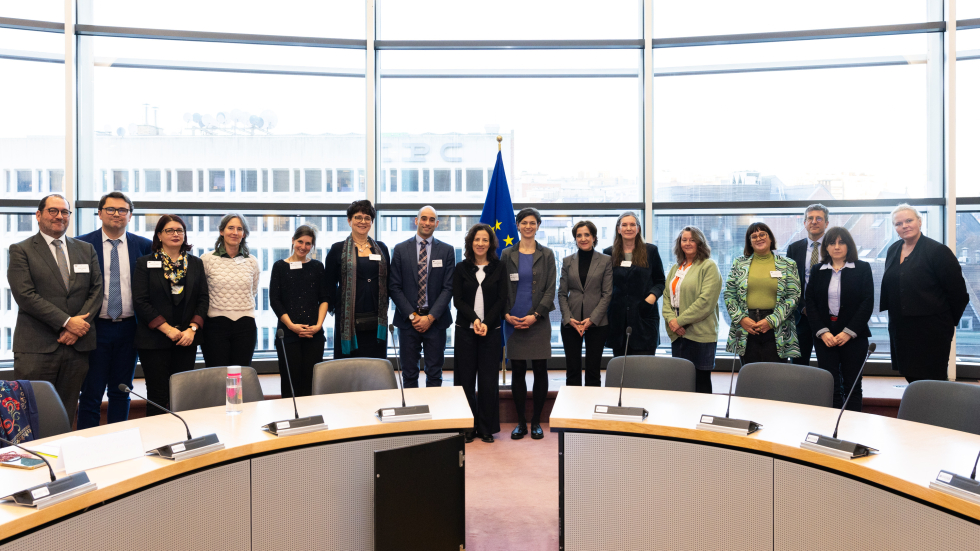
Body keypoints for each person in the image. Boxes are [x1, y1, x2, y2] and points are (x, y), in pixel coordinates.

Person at [8, 194, 102, 425]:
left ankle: (59, 459)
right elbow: (25, 296)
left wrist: (76, 329)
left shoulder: (86, 249)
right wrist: (67, 322)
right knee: (29, 414)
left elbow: (97, 291)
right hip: (37, 348)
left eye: (65, 212)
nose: (59, 216)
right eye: (53, 211)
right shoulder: (21, 250)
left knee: (65, 414)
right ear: (39, 215)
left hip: (76, 347)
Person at [75, 191, 153, 429]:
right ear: (99, 213)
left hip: (130, 329)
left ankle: (118, 444)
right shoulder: (81, 245)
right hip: (94, 328)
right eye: (110, 209)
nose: (117, 214)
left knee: (121, 390)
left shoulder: (145, 246)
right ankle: (86, 445)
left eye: (122, 210)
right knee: (91, 393)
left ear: (130, 215)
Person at [880, 204, 969, 383]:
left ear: (919, 222)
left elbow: (958, 294)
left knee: (932, 382)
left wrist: (945, 323)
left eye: (909, 220)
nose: (904, 226)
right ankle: (917, 410)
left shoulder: (938, 251)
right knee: (910, 376)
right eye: (898, 223)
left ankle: (934, 412)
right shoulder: (893, 249)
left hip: (931, 331)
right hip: (901, 328)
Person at [132, 215, 209, 415]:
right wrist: (167, 329)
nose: (175, 234)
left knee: (182, 395)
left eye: (180, 231)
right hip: (154, 340)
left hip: (186, 339)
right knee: (158, 396)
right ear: (159, 234)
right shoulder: (145, 262)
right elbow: (140, 301)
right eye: (169, 230)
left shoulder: (195, 263)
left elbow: (203, 299)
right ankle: (158, 443)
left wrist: (192, 330)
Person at [805, 227, 873, 410]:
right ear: (825, 247)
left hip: (854, 337)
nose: (836, 247)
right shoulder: (817, 270)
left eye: (841, 242)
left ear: (849, 246)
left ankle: (852, 430)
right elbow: (810, 303)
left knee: (853, 386)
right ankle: (832, 429)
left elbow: (867, 303)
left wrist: (848, 332)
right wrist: (822, 332)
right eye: (832, 243)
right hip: (825, 338)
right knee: (830, 386)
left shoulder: (862, 268)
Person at [502, 208, 556, 441]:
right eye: (524, 222)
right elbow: (501, 287)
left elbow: (550, 290)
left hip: (539, 322)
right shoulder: (506, 254)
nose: (528, 226)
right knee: (518, 373)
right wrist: (505, 314)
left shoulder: (547, 254)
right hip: (512, 321)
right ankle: (521, 422)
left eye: (532, 223)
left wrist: (536, 315)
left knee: (541, 371)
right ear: (517, 225)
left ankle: (536, 422)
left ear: (538, 225)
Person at [389, 206, 455, 388]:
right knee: (409, 374)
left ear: (437, 224)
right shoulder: (401, 249)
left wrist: (430, 317)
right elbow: (394, 287)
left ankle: (433, 413)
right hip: (408, 321)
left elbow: (448, 288)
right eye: (424, 218)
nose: (427, 223)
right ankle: (413, 415)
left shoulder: (447, 251)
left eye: (432, 220)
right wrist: (413, 316)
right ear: (416, 220)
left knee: (434, 373)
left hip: (436, 321)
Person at [453, 224, 508, 443]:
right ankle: (467, 426)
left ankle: (486, 427)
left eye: (485, 240)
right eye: (477, 239)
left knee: (488, 381)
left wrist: (486, 322)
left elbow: (501, 299)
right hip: (465, 331)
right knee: (464, 380)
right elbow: (458, 300)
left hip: (491, 331)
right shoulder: (461, 268)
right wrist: (475, 320)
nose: (480, 244)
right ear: (470, 242)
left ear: (491, 243)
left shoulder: (499, 267)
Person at [724, 222, 800, 365]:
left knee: (776, 377)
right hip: (747, 326)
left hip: (777, 326)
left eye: (762, 234)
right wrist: (741, 319)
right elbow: (729, 294)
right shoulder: (739, 263)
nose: (758, 238)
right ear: (749, 243)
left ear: (770, 238)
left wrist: (771, 321)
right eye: (754, 236)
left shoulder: (788, 264)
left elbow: (793, 296)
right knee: (750, 376)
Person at [324, 200, 390, 359]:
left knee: (375, 368)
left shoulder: (381, 248)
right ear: (349, 220)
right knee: (349, 369)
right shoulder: (337, 249)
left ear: (372, 222)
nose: (363, 221)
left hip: (376, 318)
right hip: (348, 320)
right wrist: (339, 309)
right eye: (358, 217)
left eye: (367, 218)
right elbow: (328, 285)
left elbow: (389, 281)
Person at [270, 224, 329, 398]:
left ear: (312, 246)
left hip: (314, 334)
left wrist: (318, 325)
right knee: (290, 383)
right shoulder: (279, 266)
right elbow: (275, 301)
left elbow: (324, 299)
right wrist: (292, 326)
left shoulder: (317, 267)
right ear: (293, 241)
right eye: (300, 242)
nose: (303, 247)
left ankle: (311, 421)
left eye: (308, 243)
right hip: (288, 335)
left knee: (311, 383)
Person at [662, 226, 721, 394]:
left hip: (700, 334)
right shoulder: (676, 268)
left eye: (692, 240)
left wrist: (679, 321)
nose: (687, 243)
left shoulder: (709, 266)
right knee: (681, 382)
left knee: (701, 383)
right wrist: (672, 321)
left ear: (699, 243)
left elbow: (705, 302)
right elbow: (667, 297)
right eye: (684, 240)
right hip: (678, 334)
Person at [603, 211, 666, 357]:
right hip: (618, 319)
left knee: (644, 369)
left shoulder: (651, 251)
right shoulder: (608, 253)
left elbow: (660, 282)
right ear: (618, 229)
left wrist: (650, 299)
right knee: (621, 368)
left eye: (633, 224)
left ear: (638, 229)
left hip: (644, 316)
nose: (628, 228)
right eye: (624, 225)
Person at [201, 213, 259, 367]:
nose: (235, 232)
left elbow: (253, 290)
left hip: (245, 325)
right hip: (215, 325)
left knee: (241, 374)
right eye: (230, 228)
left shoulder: (252, 261)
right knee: (217, 374)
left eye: (239, 229)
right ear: (221, 231)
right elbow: (201, 293)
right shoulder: (207, 259)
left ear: (244, 234)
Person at [558, 220, 612, 387]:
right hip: (571, 323)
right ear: (575, 238)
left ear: (594, 237)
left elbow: (607, 294)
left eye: (586, 235)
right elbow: (561, 293)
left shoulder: (605, 261)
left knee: (593, 371)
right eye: (579, 235)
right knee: (572, 370)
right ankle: (571, 410)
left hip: (597, 323)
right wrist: (568, 318)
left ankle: (590, 410)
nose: (583, 238)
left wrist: (592, 319)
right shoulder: (567, 261)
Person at [786, 204, 829, 367]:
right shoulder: (794, 248)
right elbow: (790, 282)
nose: (814, 222)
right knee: (798, 365)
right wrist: (804, 308)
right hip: (801, 316)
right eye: (810, 218)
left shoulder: (835, 248)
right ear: (804, 223)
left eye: (819, 218)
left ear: (826, 223)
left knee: (828, 364)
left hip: (827, 316)